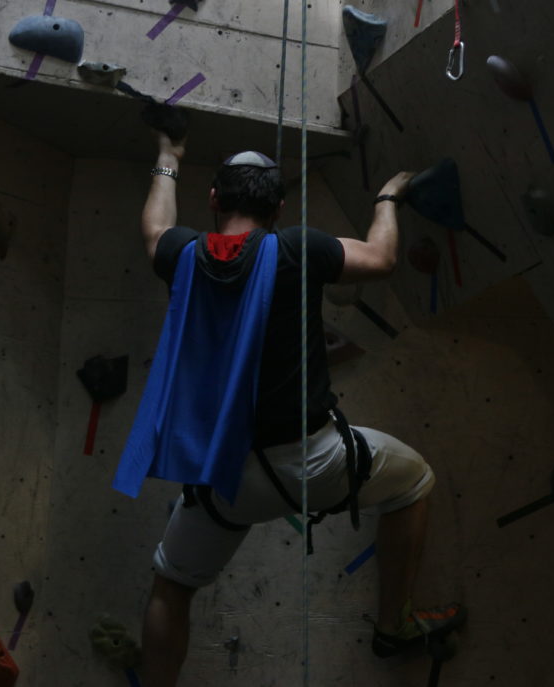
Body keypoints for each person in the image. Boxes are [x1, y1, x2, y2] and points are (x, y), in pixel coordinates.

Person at [115, 131, 466, 687]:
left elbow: (154, 228)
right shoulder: (298, 247)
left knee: (171, 586)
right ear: (279, 208)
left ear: (214, 199)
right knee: (414, 482)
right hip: (313, 463)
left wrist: (167, 158)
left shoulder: (183, 253)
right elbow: (381, 259)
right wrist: (387, 199)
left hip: (221, 480)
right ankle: (394, 626)